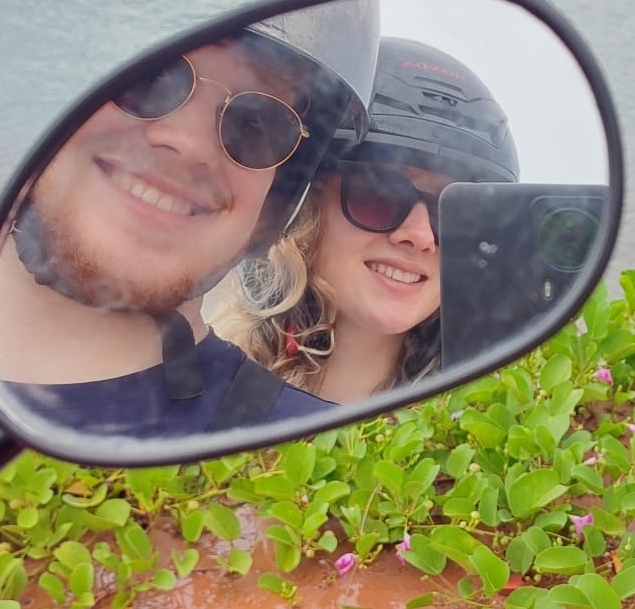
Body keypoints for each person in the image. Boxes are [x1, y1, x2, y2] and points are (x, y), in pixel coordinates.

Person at [0, 0, 380, 439]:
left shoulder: (303, 455)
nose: (189, 143)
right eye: (149, 77)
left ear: (279, 194)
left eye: (257, 123)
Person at [211, 38, 517, 407]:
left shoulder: (488, 422)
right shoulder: (206, 397)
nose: (420, 236)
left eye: (455, 212)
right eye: (380, 193)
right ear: (301, 207)